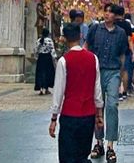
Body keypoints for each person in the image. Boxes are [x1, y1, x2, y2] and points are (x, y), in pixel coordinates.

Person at [49, 23, 104, 163]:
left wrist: (54, 118)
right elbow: (97, 90)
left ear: (65, 39)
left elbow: (58, 92)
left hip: (69, 115)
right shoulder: (93, 59)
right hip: (88, 114)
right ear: (80, 36)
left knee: (67, 156)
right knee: (82, 154)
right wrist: (99, 114)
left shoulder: (64, 61)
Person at [85, 2, 129, 162]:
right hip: (96, 72)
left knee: (112, 106)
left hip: (113, 72)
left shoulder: (121, 33)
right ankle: (98, 143)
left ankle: (110, 145)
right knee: (98, 107)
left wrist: (121, 76)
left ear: (115, 15)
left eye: (111, 12)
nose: (107, 14)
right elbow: (86, 47)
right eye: (106, 11)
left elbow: (123, 55)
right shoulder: (95, 29)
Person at [113, 5, 133, 101]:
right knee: (125, 71)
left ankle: (118, 92)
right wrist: (133, 51)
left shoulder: (112, 23)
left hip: (114, 50)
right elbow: (130, 39)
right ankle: (124, 91)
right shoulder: (127, 24)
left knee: (116, 71)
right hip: (126, 50)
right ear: (123, 13)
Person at [35, 27, 57, 95]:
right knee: (48, 73)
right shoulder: (49, 41)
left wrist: (36, 58)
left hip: (41, 58)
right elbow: (52, 50)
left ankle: (41, 89)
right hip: (47, 58)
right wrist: (55, 58)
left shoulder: (38, 40)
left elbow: (36, 50)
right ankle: (46, 89)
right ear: (48, 34)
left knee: (40, 73)